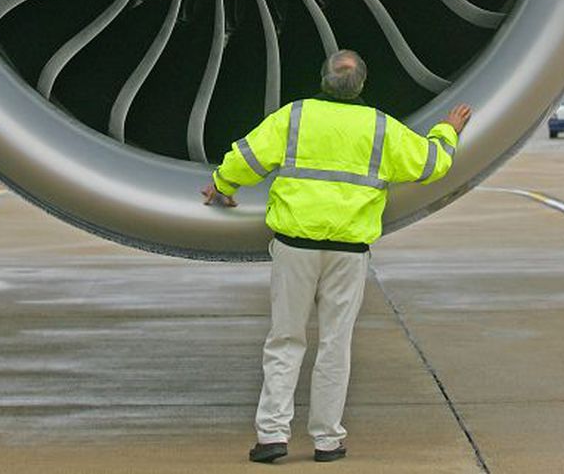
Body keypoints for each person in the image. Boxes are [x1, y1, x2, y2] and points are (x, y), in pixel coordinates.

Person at [201, 49, 471, 464]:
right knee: (335, 345)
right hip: (348, 253)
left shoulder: (295, 117)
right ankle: (327, 441)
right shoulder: (380, 127)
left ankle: (272, 435)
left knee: (285, 340)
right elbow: (432, 164)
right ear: (361, 84)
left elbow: (247, 159)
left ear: (323, 80)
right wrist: (447, 131)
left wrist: (223, 185)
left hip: (296, 248)